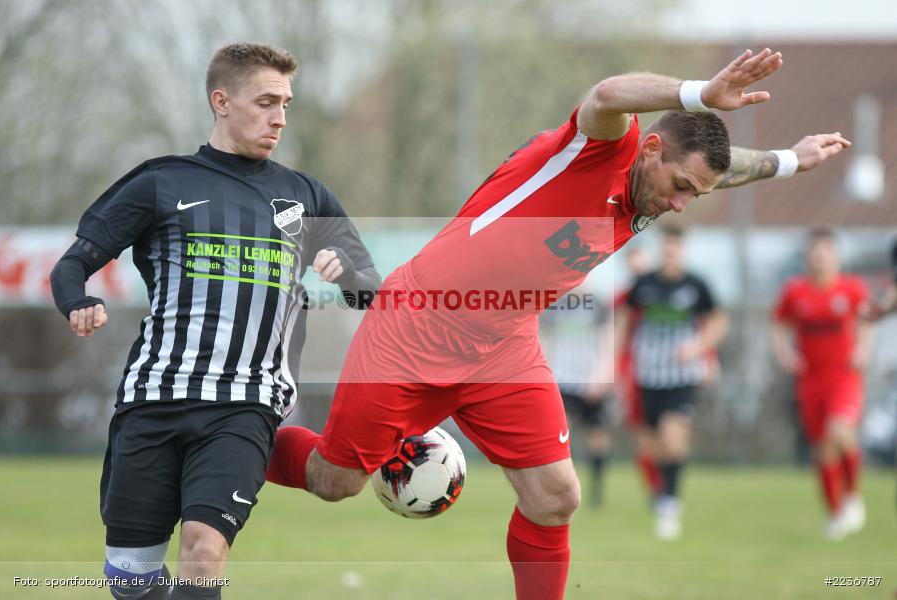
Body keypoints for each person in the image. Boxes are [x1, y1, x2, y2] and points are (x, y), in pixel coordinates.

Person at [267, 48, 850, 599]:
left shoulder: (659, 187)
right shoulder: (597, 149)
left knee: (555, 497)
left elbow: (721, 172)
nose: (680, 205)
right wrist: (699, 93)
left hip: (503, 346)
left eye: (693, 196)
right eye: (679, 188)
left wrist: (791, 160)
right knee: (333, 481)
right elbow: (607, 93)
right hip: (416, 329)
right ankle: (228, 440)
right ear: (649, 149)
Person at [49, 43, 379, 600]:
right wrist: (77, 302)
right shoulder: (161, 182)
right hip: (154, 398)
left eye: (286, 104)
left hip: (245, 407)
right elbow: (72, 264)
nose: (279, 117)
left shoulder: (305, 195)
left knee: (204, 549)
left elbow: (370, 293)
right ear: (221, 101)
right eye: (265, 101)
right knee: (130, 581)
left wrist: (345, 271)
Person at [615, 224, 728, 539]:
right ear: (660, 248)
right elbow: (623, 320)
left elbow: (719, 320)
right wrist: (612, 363)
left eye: (676, 246)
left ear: (683, 249)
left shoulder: (696, 285)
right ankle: (660, 494)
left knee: (673, 435)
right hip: (647, 376)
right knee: (650, 446)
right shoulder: (644, 284)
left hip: (682, 377)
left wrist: (699, 347)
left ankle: (670, 504)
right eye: (666, 245)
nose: (670, 251)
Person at [772, 228, 872, 539]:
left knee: (840, 429)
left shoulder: (852, 288)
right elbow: (777, 323)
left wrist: (863, 349)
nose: (820, 257)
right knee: (823, 449)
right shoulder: (795, 292)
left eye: (826, 251)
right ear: (807, 257)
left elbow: (868, 319)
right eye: (815, 252)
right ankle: (835, 513)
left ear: (836, 256)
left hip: (844, 376)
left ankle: (853, 497)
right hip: (810, 379)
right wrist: (785, 353)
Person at [539, 288, 615, 508]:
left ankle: (596, 491)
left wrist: (602, 375)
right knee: (559, 436)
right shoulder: (554, 305)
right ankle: (561, 487)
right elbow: (545, 339)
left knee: (597, 438)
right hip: (561, 381)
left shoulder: (599, 305)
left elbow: (607, 341)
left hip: (591, 382)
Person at [614, 246, 666, 500]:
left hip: (667, 373)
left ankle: (666, 485)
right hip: (636, 372)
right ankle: (657, 489)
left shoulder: (662, 293)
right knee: (644, 434)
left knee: (668, 433)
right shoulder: (624, 298)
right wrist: (617, 371)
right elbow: (618, 334)